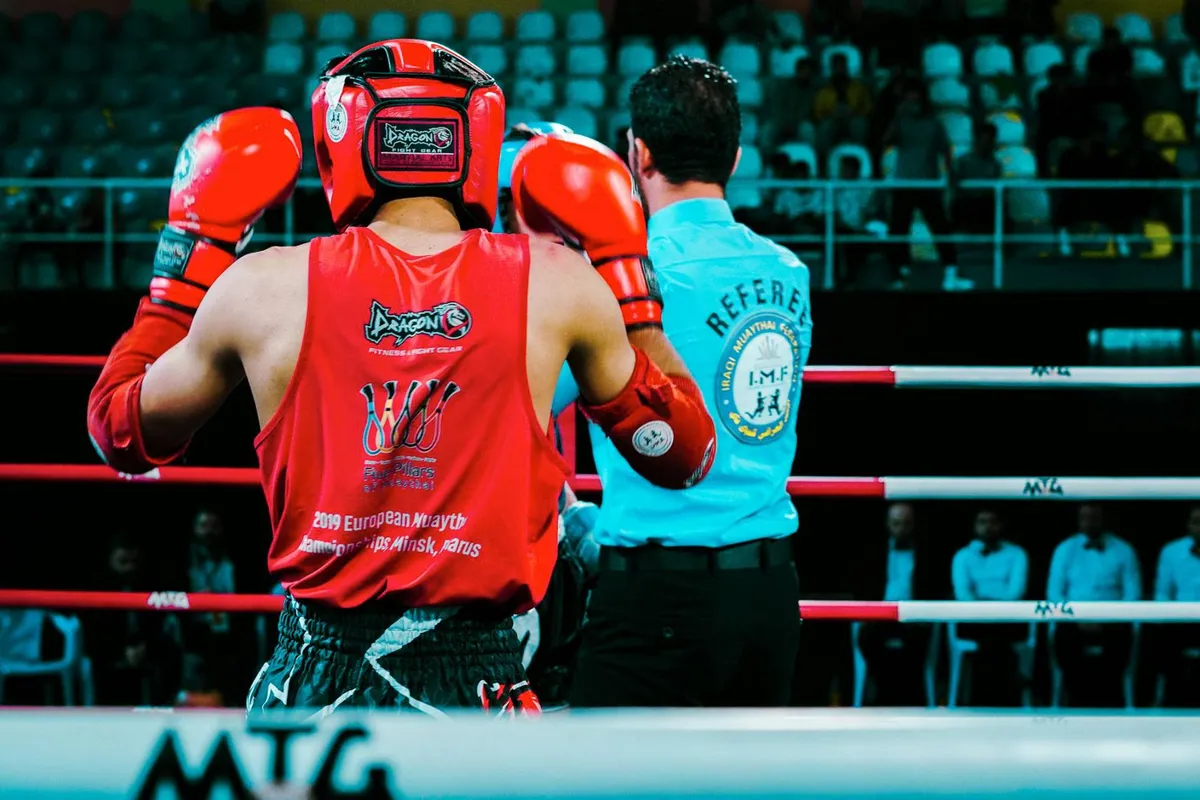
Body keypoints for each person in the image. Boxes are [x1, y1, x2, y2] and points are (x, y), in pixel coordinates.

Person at [86, 40, 716, 715]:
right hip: (481, 685)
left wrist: (185, 263)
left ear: (340, 144)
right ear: (476, 143)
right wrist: (630, 287)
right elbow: (683, 455)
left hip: (315, 678)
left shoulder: (262, 288)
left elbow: (121, 432)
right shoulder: (559, 284)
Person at [525, 56, 810, 707]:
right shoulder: (789, 272)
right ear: (735, 158)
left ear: (638, 153)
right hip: (769, 590)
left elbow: (522, 401)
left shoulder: (621, 275)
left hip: (656, 592)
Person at [1047, 503, 1142, 707]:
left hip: (1113, 619)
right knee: (1065, 638)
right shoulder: (1064, 549)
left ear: (1103, 519)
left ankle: (1109, 704)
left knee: (1120, 640)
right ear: (1078, 520)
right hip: (1073, 620)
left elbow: (1132, 594)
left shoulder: (1124, 550)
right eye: (1085, 517)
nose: (1090, 522)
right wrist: (1077, 618)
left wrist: (1108, 617)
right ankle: (1076, 703)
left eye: (1095, 517)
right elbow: (1054, 593)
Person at [883, 80, 971, 291]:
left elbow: (946, 151)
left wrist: (952, 175)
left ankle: (951, 272)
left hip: (928, 184)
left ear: (923, 101)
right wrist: (897, 115)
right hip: (904, 183)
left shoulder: (934, 123)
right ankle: (900, 272)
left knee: (940, 227)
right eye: (909, 99)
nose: (913, 103)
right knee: (898, 230)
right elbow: (885, 141)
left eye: (916, 99)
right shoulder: (901, 122)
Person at [856, 503, 941, 706]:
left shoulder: (927, 554)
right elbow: (862, 587)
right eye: (896, 523)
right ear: (887, 524)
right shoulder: (872, 552)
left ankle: (908, 700)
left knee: (914, 645)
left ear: (914, 525)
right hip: (879, 617)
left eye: (906, 524)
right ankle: (884, 697)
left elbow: (933, 589)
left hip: (914, 617)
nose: (901, 529)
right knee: (867, 638)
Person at [950, 509, 1029, 706]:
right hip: (973, 619)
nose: (988, 527)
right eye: (982, 522)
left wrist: (994, 607)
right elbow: (963, 593)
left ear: (1001, 525)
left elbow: (1016, 592)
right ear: (975, 526)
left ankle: (986, 701)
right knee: (990, 636)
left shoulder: (1017, 554)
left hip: (1008, 618)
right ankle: (998, 698)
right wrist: (982, 609)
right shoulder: (963, 556)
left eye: (993, 521)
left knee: (996, 635)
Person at [1153, 506, 1200, 707]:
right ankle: (1169, 703)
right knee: (1163, 637)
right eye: (1196, 522)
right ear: (1188, 525)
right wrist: (1170, 614)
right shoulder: (1171, 551)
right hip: (1180, 619)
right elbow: (1162, 592)